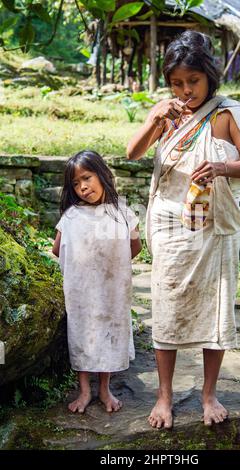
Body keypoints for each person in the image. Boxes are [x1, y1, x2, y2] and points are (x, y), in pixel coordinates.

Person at [127, 30, 240, 428]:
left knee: (215, 310)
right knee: (166, 308)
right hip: (170, 224)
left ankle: (209, 395)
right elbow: (132, 152)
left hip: (215, 228)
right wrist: (154, 119)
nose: (186, 90)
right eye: (177, 83)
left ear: (210, 77)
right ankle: (164, 397)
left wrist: (223, 167)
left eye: (194, 81)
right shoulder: (166, 113)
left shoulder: (227, 114)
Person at [52, 150, 142, 414]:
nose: (82, 187)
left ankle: (104, 389)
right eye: (76, 184)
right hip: (81, 289)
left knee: (109, 333)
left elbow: (134, 247)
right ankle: (85, 390)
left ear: (102, 174)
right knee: (81, 332)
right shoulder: (71, 217)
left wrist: (112, 268)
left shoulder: (123, 212)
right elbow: (59, 249)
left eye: (87, 178)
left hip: (112, 289)